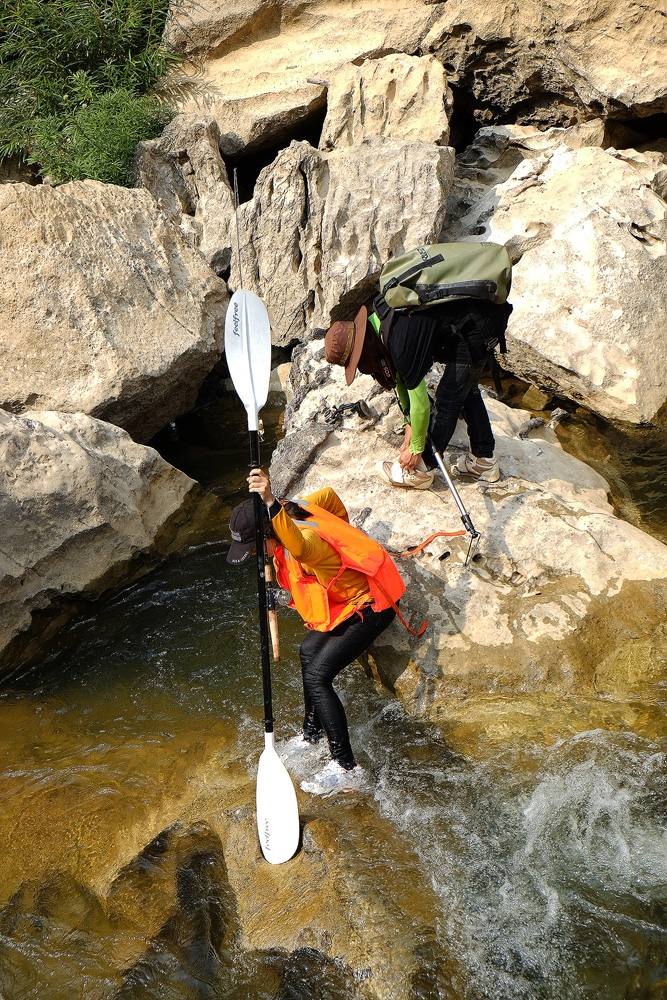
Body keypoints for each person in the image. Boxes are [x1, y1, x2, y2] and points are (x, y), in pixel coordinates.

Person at [227, 468, 403, 796]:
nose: (253, 555)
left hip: (372, 605)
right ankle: (312, 737)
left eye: (254, 548)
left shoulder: (304, 543)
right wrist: (345, 539)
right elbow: (330, 497)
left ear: (270, 533)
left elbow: (300, 546)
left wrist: (267, 499)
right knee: (307, 651)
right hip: (347, 603)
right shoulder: (297, 507)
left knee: (318, 677)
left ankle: (347, 767)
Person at [324, 297, 512, 489]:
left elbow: (422, 405)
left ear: (363, 347)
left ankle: (421, 470)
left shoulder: (398, 341)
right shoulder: (382, 321)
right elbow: (401, 379)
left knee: (448, 399)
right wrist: (409, 424)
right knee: (467, 389)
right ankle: (484, 460)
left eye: (358, 360)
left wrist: (416, 448)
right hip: (475, 319)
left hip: (477, 327)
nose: (363, 366)